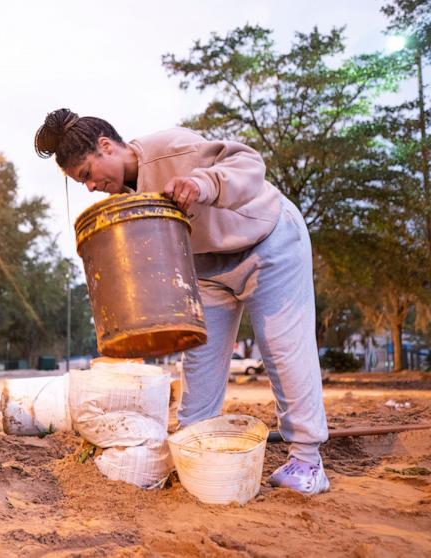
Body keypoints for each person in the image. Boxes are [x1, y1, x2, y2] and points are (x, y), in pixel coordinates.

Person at [34, 109, 330, 495]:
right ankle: (194, 448)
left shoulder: (169, 147)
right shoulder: (127, 197)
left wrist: (202, 182)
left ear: (105, 147)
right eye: (81, 182)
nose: (89, 187)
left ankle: (307, 460)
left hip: (268, 242)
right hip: (207, 269)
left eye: (87, 174)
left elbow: (249, 163)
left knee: (283, 350)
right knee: (199, 363)